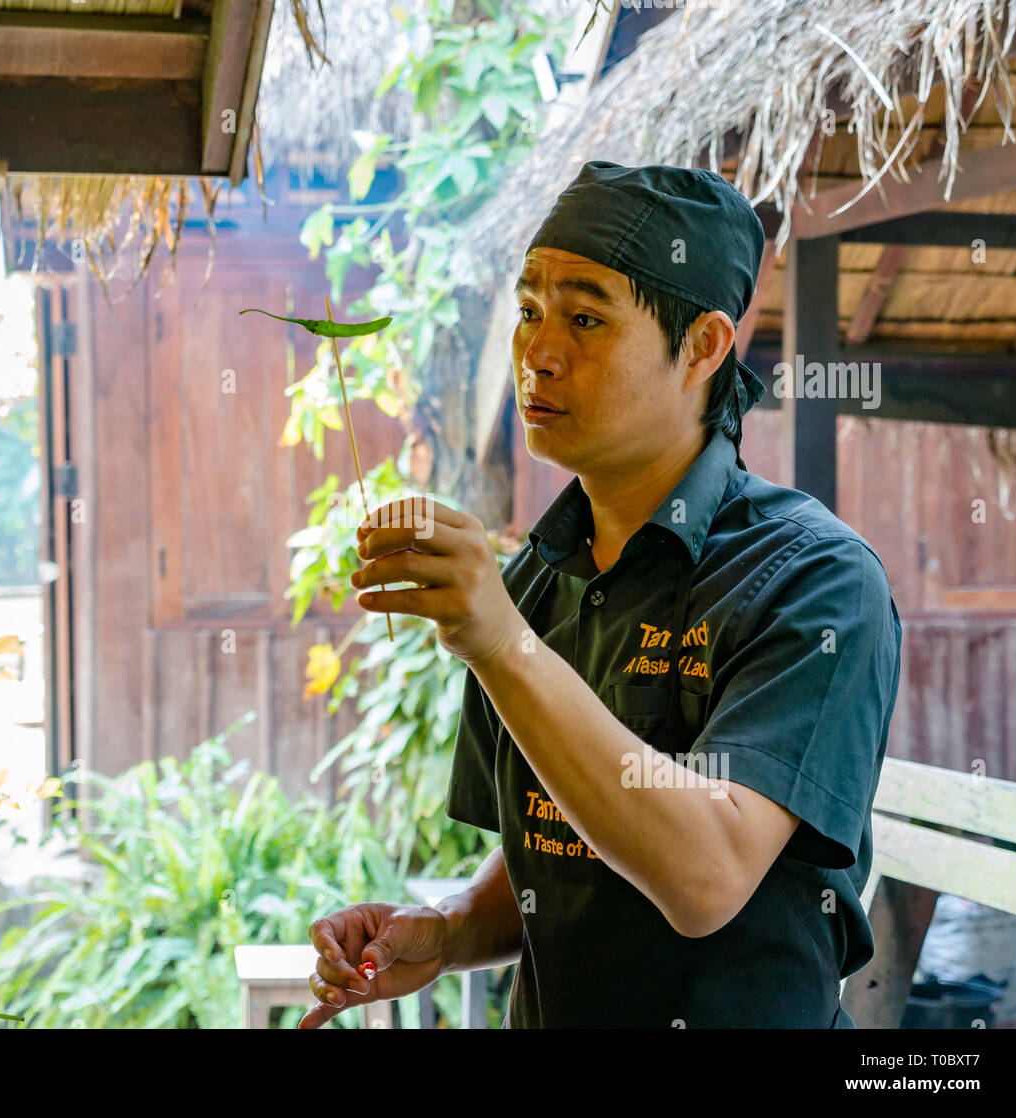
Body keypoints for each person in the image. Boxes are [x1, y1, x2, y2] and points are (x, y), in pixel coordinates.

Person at [298, 161, 902, 1029]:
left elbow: (706, 878)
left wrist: (501, 642)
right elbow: (558, 843)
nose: (539, 353)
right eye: (531, 312)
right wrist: (449, 930)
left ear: (702, 346)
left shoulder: (815, 581)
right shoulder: (538, 578)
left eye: (585, 318)